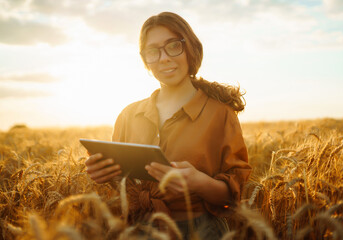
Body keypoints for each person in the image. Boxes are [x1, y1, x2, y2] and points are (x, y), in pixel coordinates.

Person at [85, 12, 252, 240]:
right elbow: (124, 184)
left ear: (190, 48)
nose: (163, 58)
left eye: (173, 46)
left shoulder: (220, 114)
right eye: (153, 51)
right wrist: (104, 174)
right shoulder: (128, 115)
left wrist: (198, 182)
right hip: (135, 230)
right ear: (146, 60)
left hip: (199, 232)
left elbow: (233, 196)